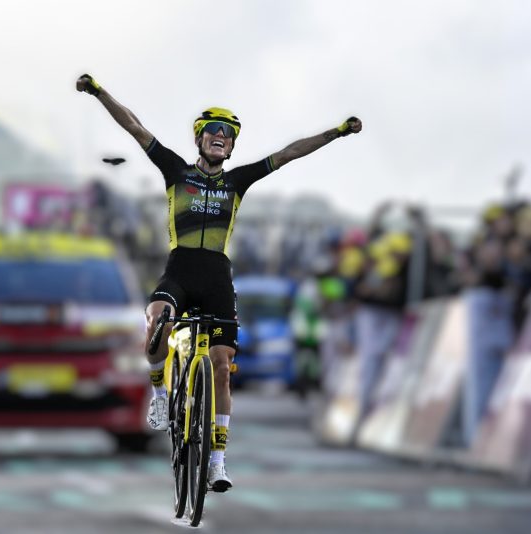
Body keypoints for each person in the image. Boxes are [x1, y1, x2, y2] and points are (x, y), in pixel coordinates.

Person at [76, 73, 362, 492]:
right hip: (180, 269)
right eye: (213, 131)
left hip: (217, 278)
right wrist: (99, 92)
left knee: (223, 368)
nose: (220, 137)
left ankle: (217, 462)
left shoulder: (236, 181)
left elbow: (289, 154)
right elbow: (135, 127)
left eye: (228, 134)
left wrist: (336, 133)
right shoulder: (175, 170)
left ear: (231, 146)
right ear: (199, 139)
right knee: (158, 320)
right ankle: (159, 395)